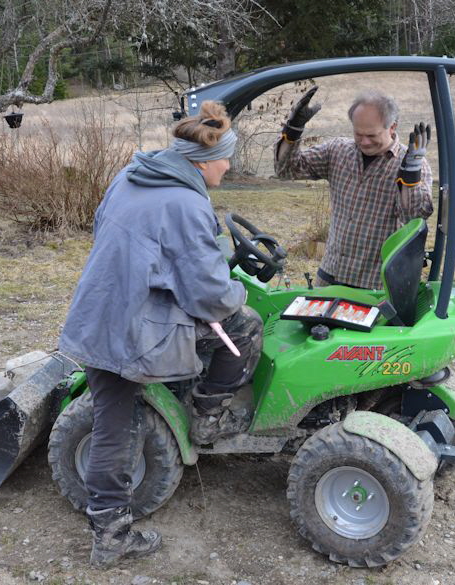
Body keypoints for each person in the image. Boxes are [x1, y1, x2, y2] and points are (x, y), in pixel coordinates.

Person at [59, 101, 263, 568]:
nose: (229, 166)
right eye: (225, 158)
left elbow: (110, 235)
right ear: (202, 161)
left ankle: (109, 527)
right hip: (130, 325)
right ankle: (208, 418)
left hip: (98, 307)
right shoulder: (188, 203)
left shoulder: (130, 177)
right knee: (245, 325)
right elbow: (210, 296)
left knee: (112, 415)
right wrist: (235, 290)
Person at [275, 87, 434, 289]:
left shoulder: (412, 163)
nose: (364, 142)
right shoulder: (337, 151)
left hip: (376, 285)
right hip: (330, 275)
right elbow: (286, 170)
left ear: (392, 127)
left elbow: (414, 216)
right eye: (358, 134)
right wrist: (293, 129)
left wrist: (411, 173)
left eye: (371, 135)